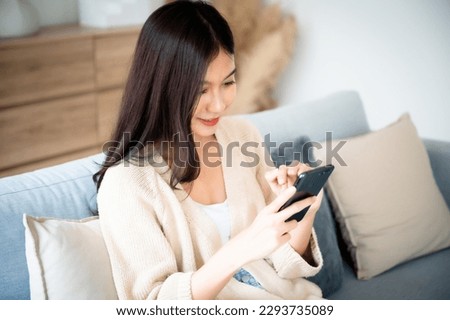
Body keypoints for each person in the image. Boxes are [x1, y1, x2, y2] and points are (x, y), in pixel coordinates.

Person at [94, 0, 324, 300]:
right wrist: (241, 249)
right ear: (163, 86)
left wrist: (301, 214)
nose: (219, 105)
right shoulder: (127, 182)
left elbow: (287, 267)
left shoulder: (243, 136)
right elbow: (153, 304)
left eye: (228, 82)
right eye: (201, 90)